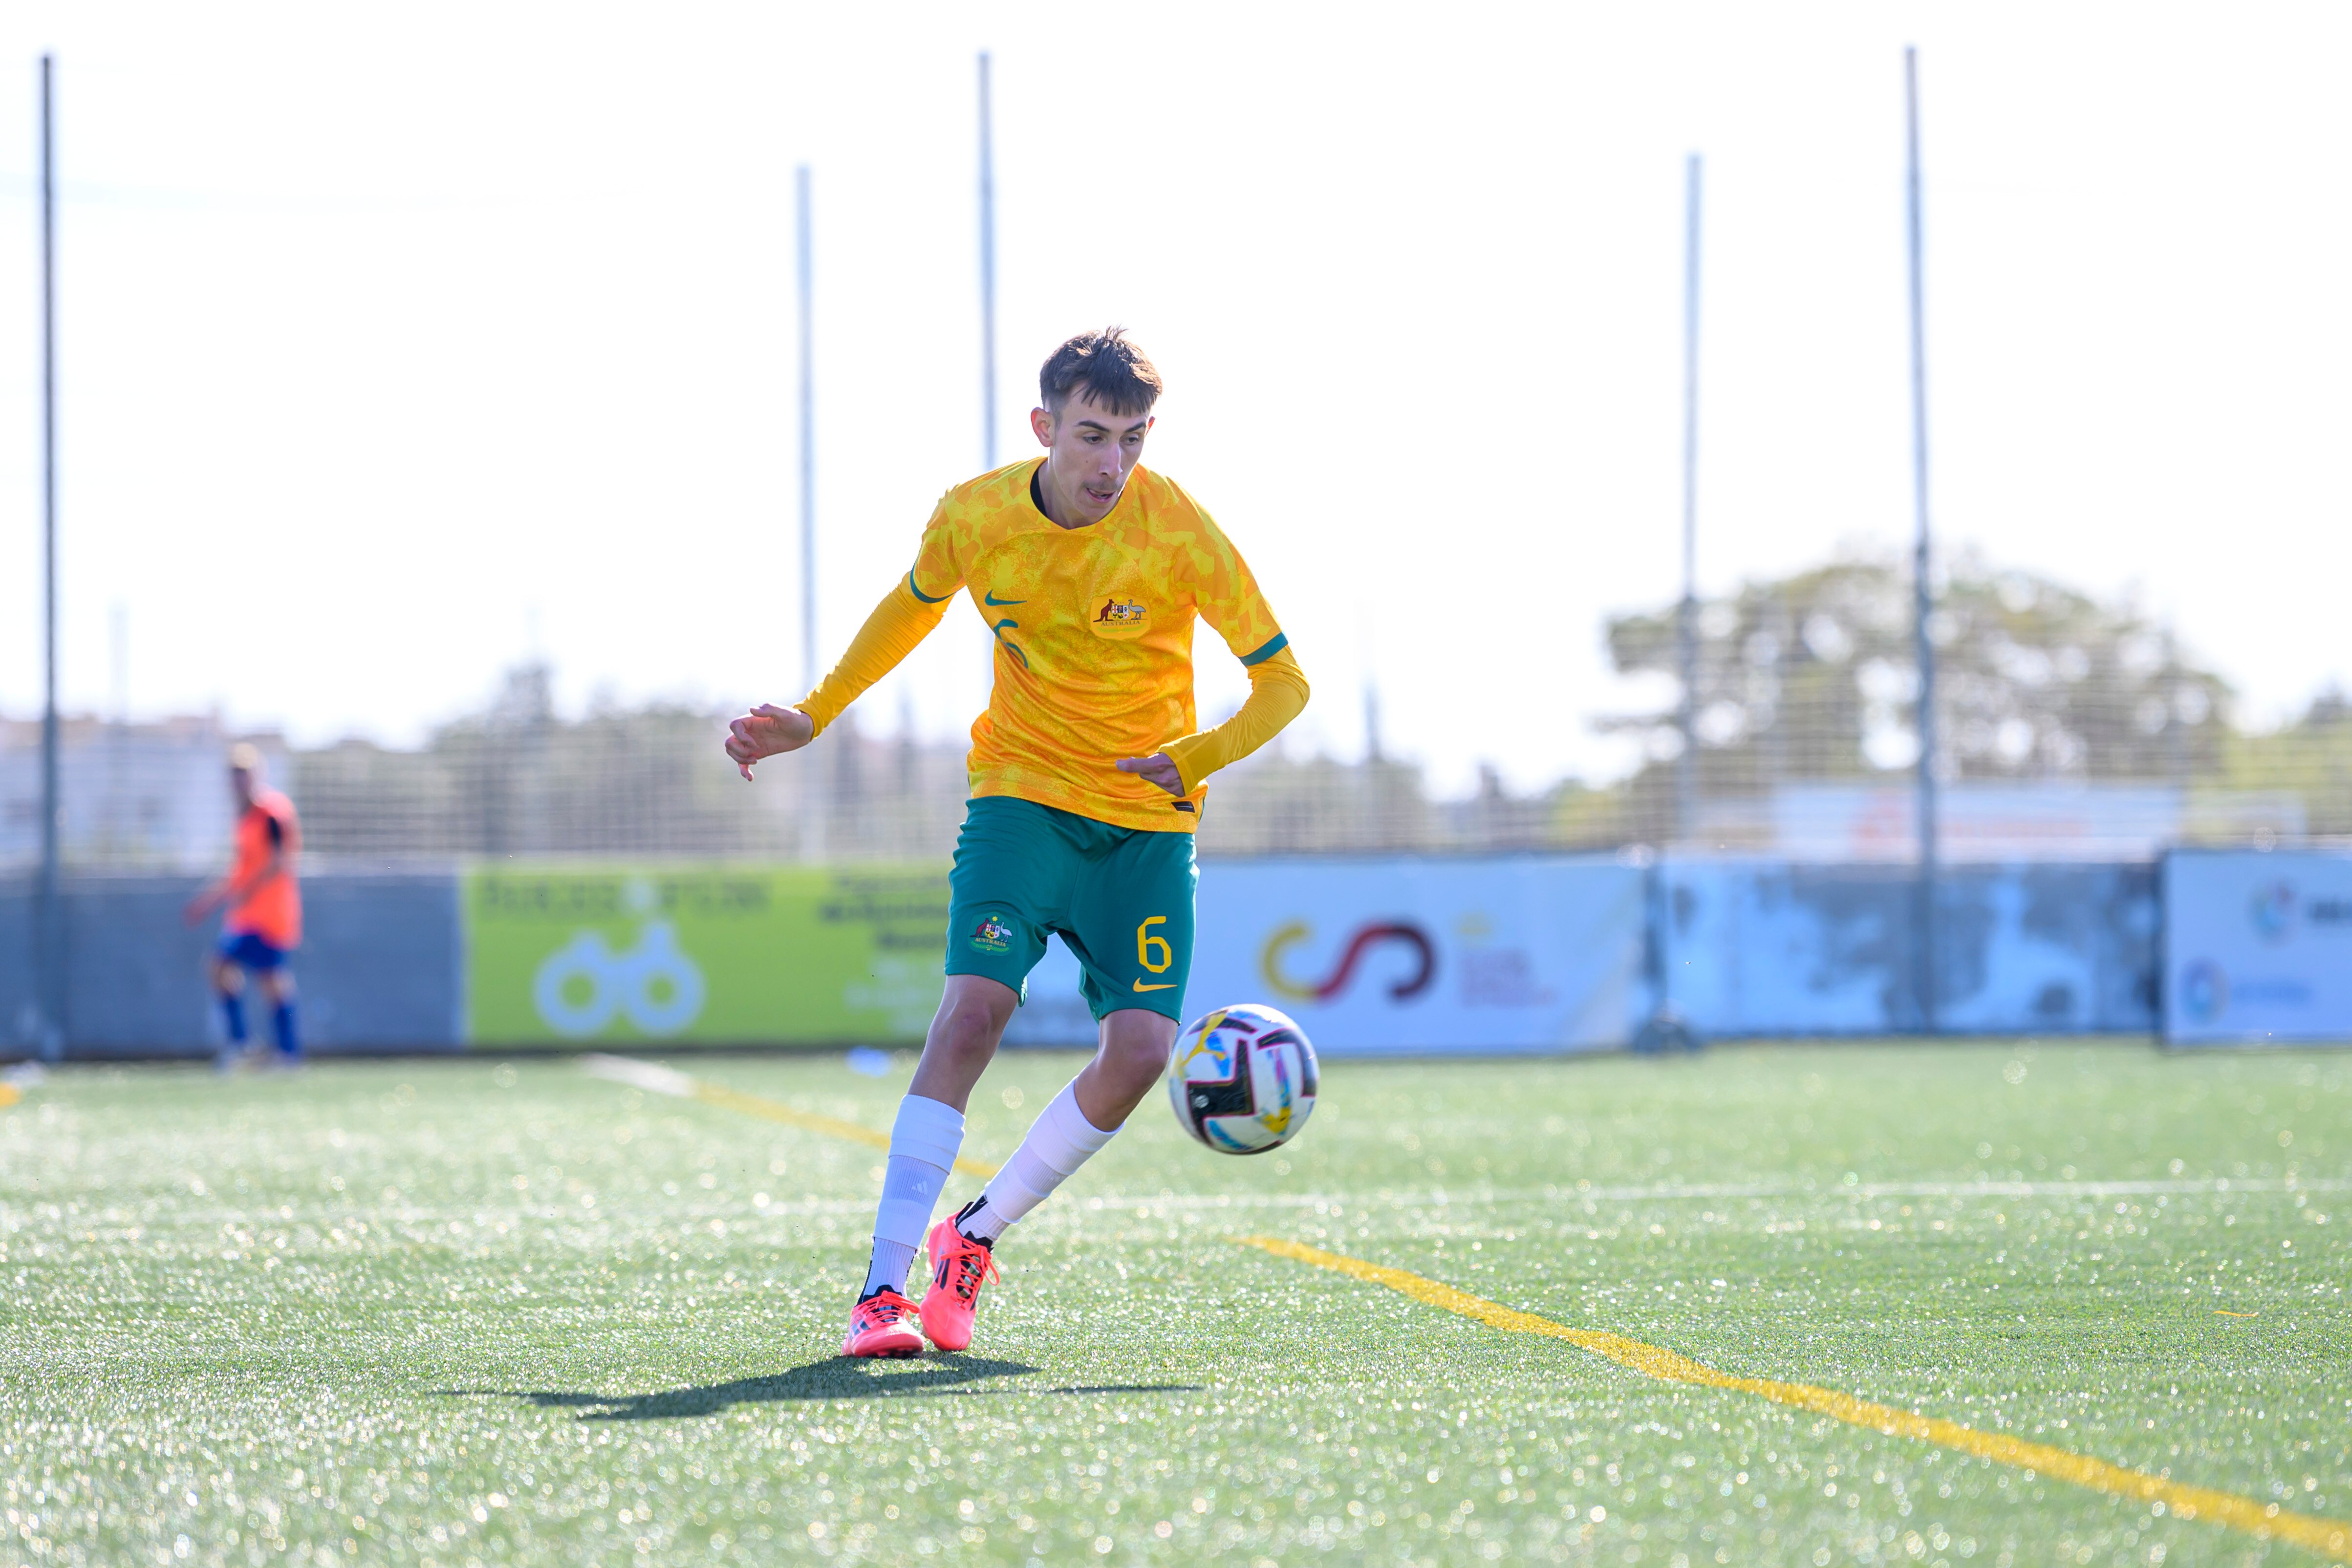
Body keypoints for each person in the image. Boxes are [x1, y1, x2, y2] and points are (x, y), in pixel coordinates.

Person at [726, 328, 1309, 1357]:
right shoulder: (975, 515)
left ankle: (975, 1235)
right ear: (1043, 428)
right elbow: (907, 613)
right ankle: (881, 1291)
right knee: (971, 1017)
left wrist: (1202, 752)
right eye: (1090, 435)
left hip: (1146, 825)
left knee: (1138, 1052)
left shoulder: (1179, 530)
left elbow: (1284, 682)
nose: (1109, 463)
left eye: (1130, 439)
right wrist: (815, 715)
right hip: (1022, 798)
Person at [184, 743, 303, 1068]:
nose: (238, 779)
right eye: (234, 773)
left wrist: (250, 891)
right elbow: (238, 871)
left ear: (257, 775)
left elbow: (281, 859)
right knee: (257, 976)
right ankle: (273, 1050)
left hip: (268, 915)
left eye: (244, 772)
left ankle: (258, 1047)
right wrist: (208, 901)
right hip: (247, 915)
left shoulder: (272, 812)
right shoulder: (244, 818)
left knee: (253, 974)